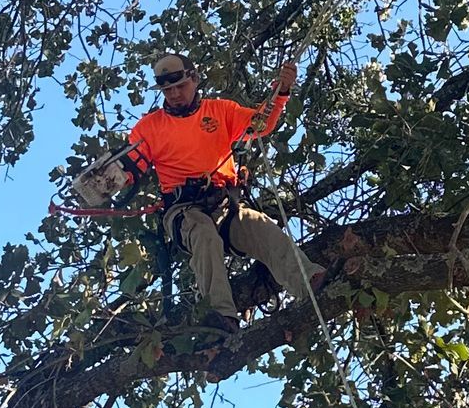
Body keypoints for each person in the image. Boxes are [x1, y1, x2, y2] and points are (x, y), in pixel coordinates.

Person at [95, 52, 325, 332]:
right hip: (184, 211)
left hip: (225, 206)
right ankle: (221, 318)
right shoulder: (149, 128)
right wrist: (103, 179)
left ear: (194, 78)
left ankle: (310, 281)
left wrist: (282, 91)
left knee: (262, 227)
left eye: (180, 86)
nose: (176, 94)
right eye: (168, 90)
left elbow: (260, 124)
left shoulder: (220, 111)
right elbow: (130, 165)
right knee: (204, 235)